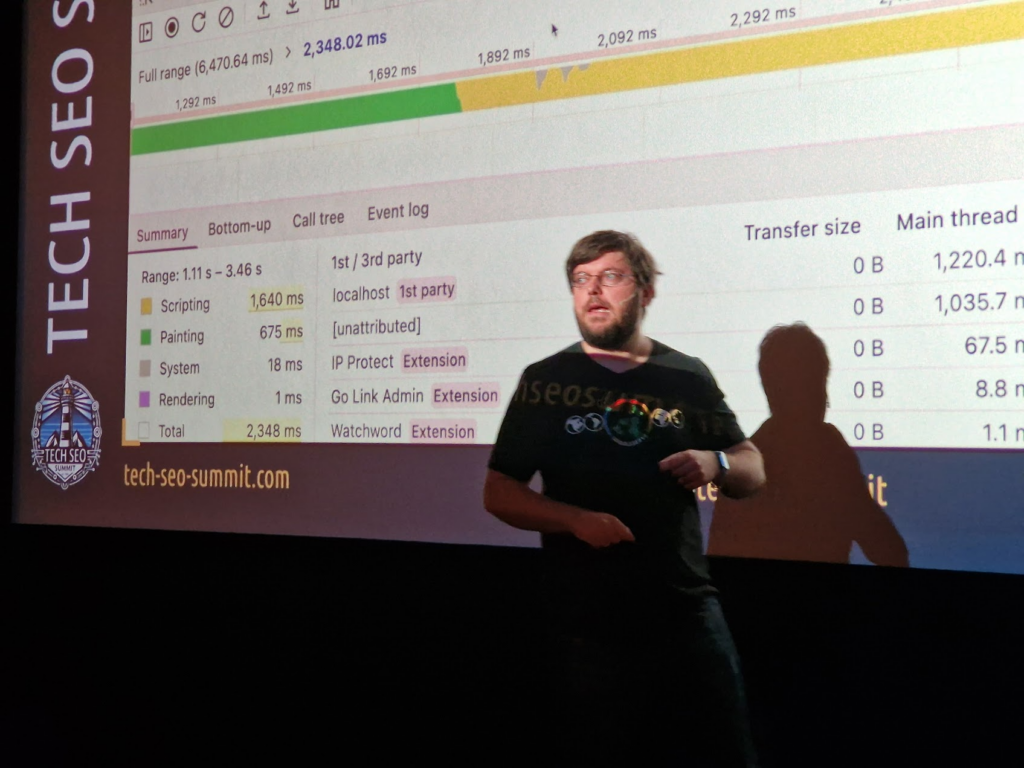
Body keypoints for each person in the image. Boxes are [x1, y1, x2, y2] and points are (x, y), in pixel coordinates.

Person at [483, 230, 766, 766]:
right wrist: (574, 520)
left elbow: (752, 467)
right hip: (586, 620)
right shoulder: (545, 381)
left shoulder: (685, 375)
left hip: (684, 608)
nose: (593, 290)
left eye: (610, 277)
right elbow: (499, 492)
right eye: (581, 280)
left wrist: (716, 463)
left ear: (645, 292)